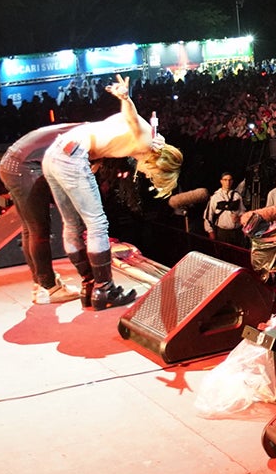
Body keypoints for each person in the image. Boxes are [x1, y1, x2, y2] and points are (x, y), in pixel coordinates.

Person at [41, 75, 182, 310]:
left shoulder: (149, 141)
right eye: (152, 174)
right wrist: (126, 98)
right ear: (157, 164)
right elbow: (132, 118)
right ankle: (104, 289)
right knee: (97, 224)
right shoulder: (146, 140)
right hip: (72, 155)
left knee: (72, 225)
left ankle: (89, 285)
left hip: (55, 153)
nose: (145, 175)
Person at [0, 122, 82, 305]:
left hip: (12, 164)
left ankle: (41, 283)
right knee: (38, 230)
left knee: (29, 228)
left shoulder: (82, 128)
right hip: (23, 169)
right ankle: (49, 288)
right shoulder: (86, 138)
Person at [204, 173, 247, 246]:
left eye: (230, 180)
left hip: (237, 233)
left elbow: (243, 213)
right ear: (221, 181)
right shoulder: (215, 197)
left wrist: (239, 218)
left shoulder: (237, 196)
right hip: (223, 233)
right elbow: (208, 217)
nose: (228, 182)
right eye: (225, 180)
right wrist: (210, 232)